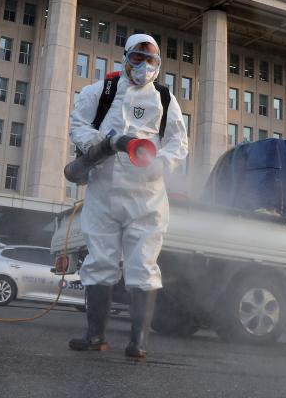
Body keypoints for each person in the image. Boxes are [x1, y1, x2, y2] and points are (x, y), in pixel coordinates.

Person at [67, 34, 189, 358]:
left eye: (152, 61)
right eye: (137, 58)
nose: (144, 66)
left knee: (143, 265)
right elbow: (77, 126)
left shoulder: (164, 98)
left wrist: (161, 163)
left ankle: (138, 343)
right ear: (125, 57)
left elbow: (178, 142)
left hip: (146, 197)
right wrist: (104, 143)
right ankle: (95, 336)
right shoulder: (100, 92)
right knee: (100, 261)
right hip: (104, 189)